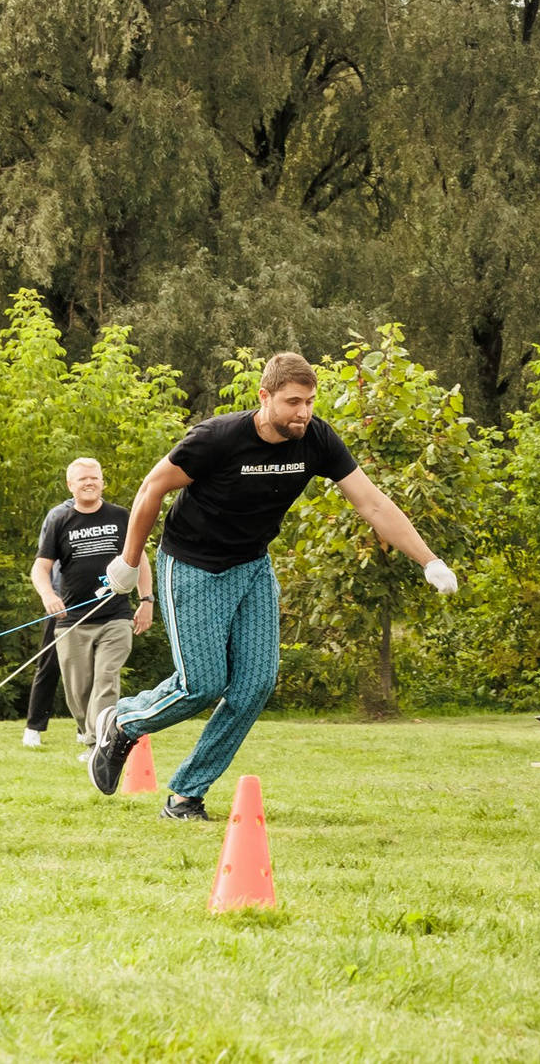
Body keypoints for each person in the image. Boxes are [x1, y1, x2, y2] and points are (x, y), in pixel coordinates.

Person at [89, 351, 460, 822]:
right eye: (293, 402)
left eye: (310, 401)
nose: (303, 412)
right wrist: (128, 562)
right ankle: (123, 720)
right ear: (264, 397)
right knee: (201, 685)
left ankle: (186, 795)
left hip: (252, 567)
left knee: (255, 686)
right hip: (194, 566)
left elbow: (373, 504)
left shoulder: (317, 439)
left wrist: (429, 560)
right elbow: (151, 489)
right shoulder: (217, 438)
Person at [32, 457, 154, 751]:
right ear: (70, 485)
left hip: (116, 616)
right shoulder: (60, 521)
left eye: (94, 478)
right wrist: (48, 595)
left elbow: (140, 559)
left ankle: (99, 745)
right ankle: (92, 737)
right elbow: (40, 568)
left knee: (106, 679)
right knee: (78, 690)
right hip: (72, 620)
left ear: (102, 482)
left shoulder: (121, 516)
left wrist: (146, 600)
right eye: (83, 478)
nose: (89, 483)